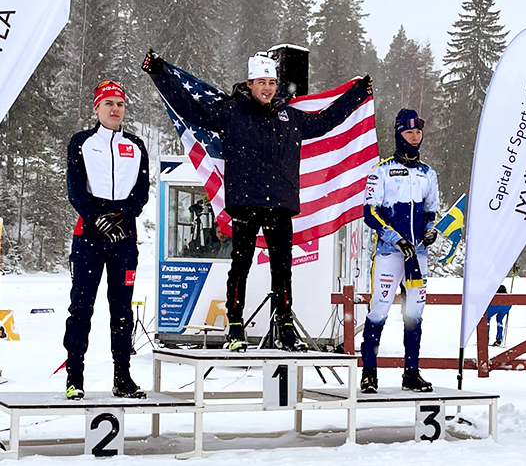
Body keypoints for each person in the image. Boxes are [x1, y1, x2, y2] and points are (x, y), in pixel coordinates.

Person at [142, 50, 372, 352]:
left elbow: (326, 121)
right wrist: (160, 73)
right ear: (249, 83)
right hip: (245, 204)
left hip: (280, 205)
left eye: (272, 82)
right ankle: (235, 326)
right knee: (240, 267)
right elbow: (190, 109)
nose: (267, 88)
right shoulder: (230, 111)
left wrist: (356, 94)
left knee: (283, 270)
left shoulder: (290, 115)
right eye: (261, 82)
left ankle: (285, 327)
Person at [64, 80, 150, 400]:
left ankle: (122, 376)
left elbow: (141, 193)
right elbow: (75, 188)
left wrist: (122, 216)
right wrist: (96, 217)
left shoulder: (137, 145)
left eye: (120, 104)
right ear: (96, 108)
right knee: (81, 307)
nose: (115, 110)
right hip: (88, 233)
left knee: (122, 308)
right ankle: (75, 376)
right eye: (109, 104)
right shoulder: (81, 142)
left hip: (124, 235)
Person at [360, 109, 440, 393]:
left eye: (418, 132)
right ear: (398, 134)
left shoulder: (428, 173)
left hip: (417, 254)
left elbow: (432, 210)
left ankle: (411, 372)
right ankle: (369, 372)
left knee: (414, 312)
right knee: (379, 308)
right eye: (409, 132)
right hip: (389, 253)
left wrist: (431, 230)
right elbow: (370, 212)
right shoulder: (381, 170)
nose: (414, 137)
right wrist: (394, 238)